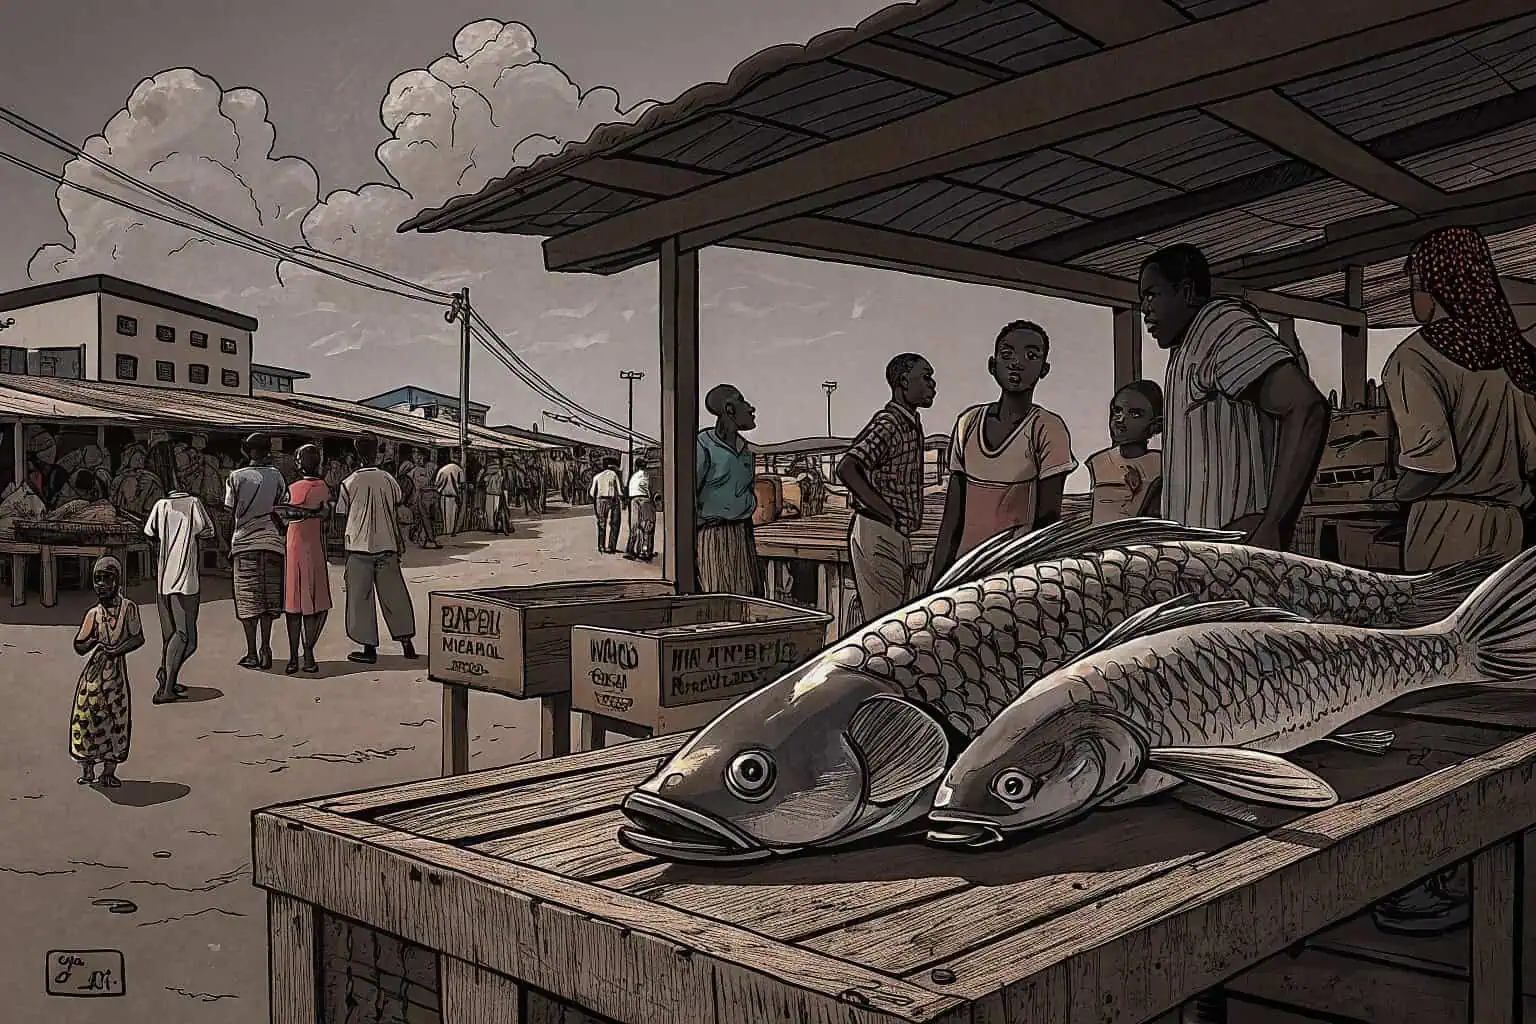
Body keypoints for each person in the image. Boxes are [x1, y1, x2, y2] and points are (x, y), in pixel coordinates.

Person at [1368, 225, 1536, 937]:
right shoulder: (1509, 365)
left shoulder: (1415, 359)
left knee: (1431, 703)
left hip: (1444, 532)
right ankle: (1494, 860)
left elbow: (1427, 463)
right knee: (1501, 704)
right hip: (1507, 531)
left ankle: (1421, 872)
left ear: (1430, 286)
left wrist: (1386, 487)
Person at [1139, 242, 1329, 546]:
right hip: (1206, 555)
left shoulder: (1221, 326)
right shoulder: (1188, 344)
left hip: (1233, 554)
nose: (1144, 308)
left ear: (1186, 291)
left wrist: (1274, 524)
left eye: (1152, 295)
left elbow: (1306, 407)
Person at [931, 322, 1077, 578]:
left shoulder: (1047, 428)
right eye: (1007, 354)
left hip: (1014, 576)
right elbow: (952, 518)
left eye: (1031, 356)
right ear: (992, 365)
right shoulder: (968, 422)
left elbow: (1048, 521)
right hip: (963, 571)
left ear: (1044, 370)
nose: (1017, 363)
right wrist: (936, 582)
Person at [837, 353, 936, 623]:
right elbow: (847, 468)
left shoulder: (909, 423)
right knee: (886, 625)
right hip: (878, 532)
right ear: (904, 382)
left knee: (890, 619)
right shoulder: (889, 423)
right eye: (926, 377)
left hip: (893, 534)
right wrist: (887, 513)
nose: (933, 385)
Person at [336, 434, 419, 665]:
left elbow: (342, 514)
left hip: (358, 546)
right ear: (377, 452)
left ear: (356, 452)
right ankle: (406, 643)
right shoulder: (388, 479)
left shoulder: (349, 482)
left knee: (360, 599)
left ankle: (369, 648)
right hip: (387, 543)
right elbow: (397, 502)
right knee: (395, 594)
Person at [143, 449, 215, 703]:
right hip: (186, 578)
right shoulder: (194, 504)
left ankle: (168, 675)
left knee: (171, 636)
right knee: (186, 637)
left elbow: (149, 532)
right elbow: (208, 531)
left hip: (164, 579)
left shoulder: (160, 506)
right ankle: (166, 686)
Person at [69, 556, 144, 788]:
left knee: (116, 720)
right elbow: (79, 646)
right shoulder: (93, 614)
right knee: (87, 719)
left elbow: (137, 637)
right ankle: (88, 768)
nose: (101, 584)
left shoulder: (128, 608)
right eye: (97, 579)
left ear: (117, 581)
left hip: (116, 677)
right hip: (93, 677)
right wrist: (94, 641)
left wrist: (115, 651)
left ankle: (109, 771)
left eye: (106, 578)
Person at [225, 432, 289, 670]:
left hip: (244, 545)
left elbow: (229, 511)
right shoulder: (276, 476)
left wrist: (226, 544)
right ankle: (266, 647)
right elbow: (283, 505)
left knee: (248, 602)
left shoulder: (236, 477)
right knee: (268, 601)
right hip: (272, 543)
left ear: (246, 451)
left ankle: (252, 652)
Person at [695, 383, 763, 596]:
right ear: (730, 409)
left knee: (749, 596)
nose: (751, 408)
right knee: (718, 597)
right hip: (713, 536)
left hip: (743, 533)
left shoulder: (746, 450)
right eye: (743, 401)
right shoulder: (702, 445)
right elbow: (689, 496)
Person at [279, 444, 332, 675]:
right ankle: (308, 652)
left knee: (294, 605)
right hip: (314, 547)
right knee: (314, 604)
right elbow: (327, 518)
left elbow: (281, 516)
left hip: (293, 546)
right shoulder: (323, 488)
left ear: (299, 463)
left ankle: (293, 657)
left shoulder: (292, 488)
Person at [1087, 380, 1166, 524]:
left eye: (1135, 414)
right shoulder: (1099, 462)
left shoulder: (1160, 464)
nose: (1120, 420)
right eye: (1117, 411)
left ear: (1156, 425)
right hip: (1098, 540)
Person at [624, 457, 656, 561]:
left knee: (635, 525)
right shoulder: (646, 475)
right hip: (644, 499)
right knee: (647, 525)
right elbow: (650, 489)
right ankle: (644, 551)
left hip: (634, 500)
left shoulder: (633, 476)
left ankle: (630, 550)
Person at [590, 457, 624, 553]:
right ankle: (611, 546)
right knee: (614, 523)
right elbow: (620, 492)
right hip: (612, 500)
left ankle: (601, 546)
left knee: (601, 523)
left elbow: (592, 493)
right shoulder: (614, 475)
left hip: (600, 500)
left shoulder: (597, 476)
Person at [435, 455, 465, 537]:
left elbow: (436, 484)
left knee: (445, 517)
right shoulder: (459, 470)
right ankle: (451, 533)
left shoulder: (442, 469)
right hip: (454, 496)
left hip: (443, 496)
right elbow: (462, 485)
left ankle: (446, 533)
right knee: (453, 516)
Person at [482, 456, 507, 535]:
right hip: (498, 494)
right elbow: (503, 482)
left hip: (489, 493)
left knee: (490, 511)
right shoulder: (501, 471)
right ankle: (497, 526)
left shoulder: (488, 472)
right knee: (497, 511)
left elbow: (484, 480)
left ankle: (492, 526)